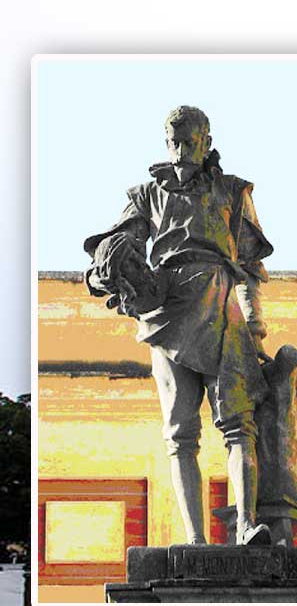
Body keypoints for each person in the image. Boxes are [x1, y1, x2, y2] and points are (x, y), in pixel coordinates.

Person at [83, 106, 273, 546]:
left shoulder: (232, 190)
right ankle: (196, 540)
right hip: (166, 310)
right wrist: (102, 272)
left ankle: (246, 525)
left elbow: (250, 265)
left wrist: (256, 325)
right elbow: (114, 250)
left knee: (239, 423)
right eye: (174, 141)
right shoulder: (147, 193)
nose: (181, 150)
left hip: (221, 300)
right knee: (180, 431)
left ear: (206, 140)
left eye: (189, 141)